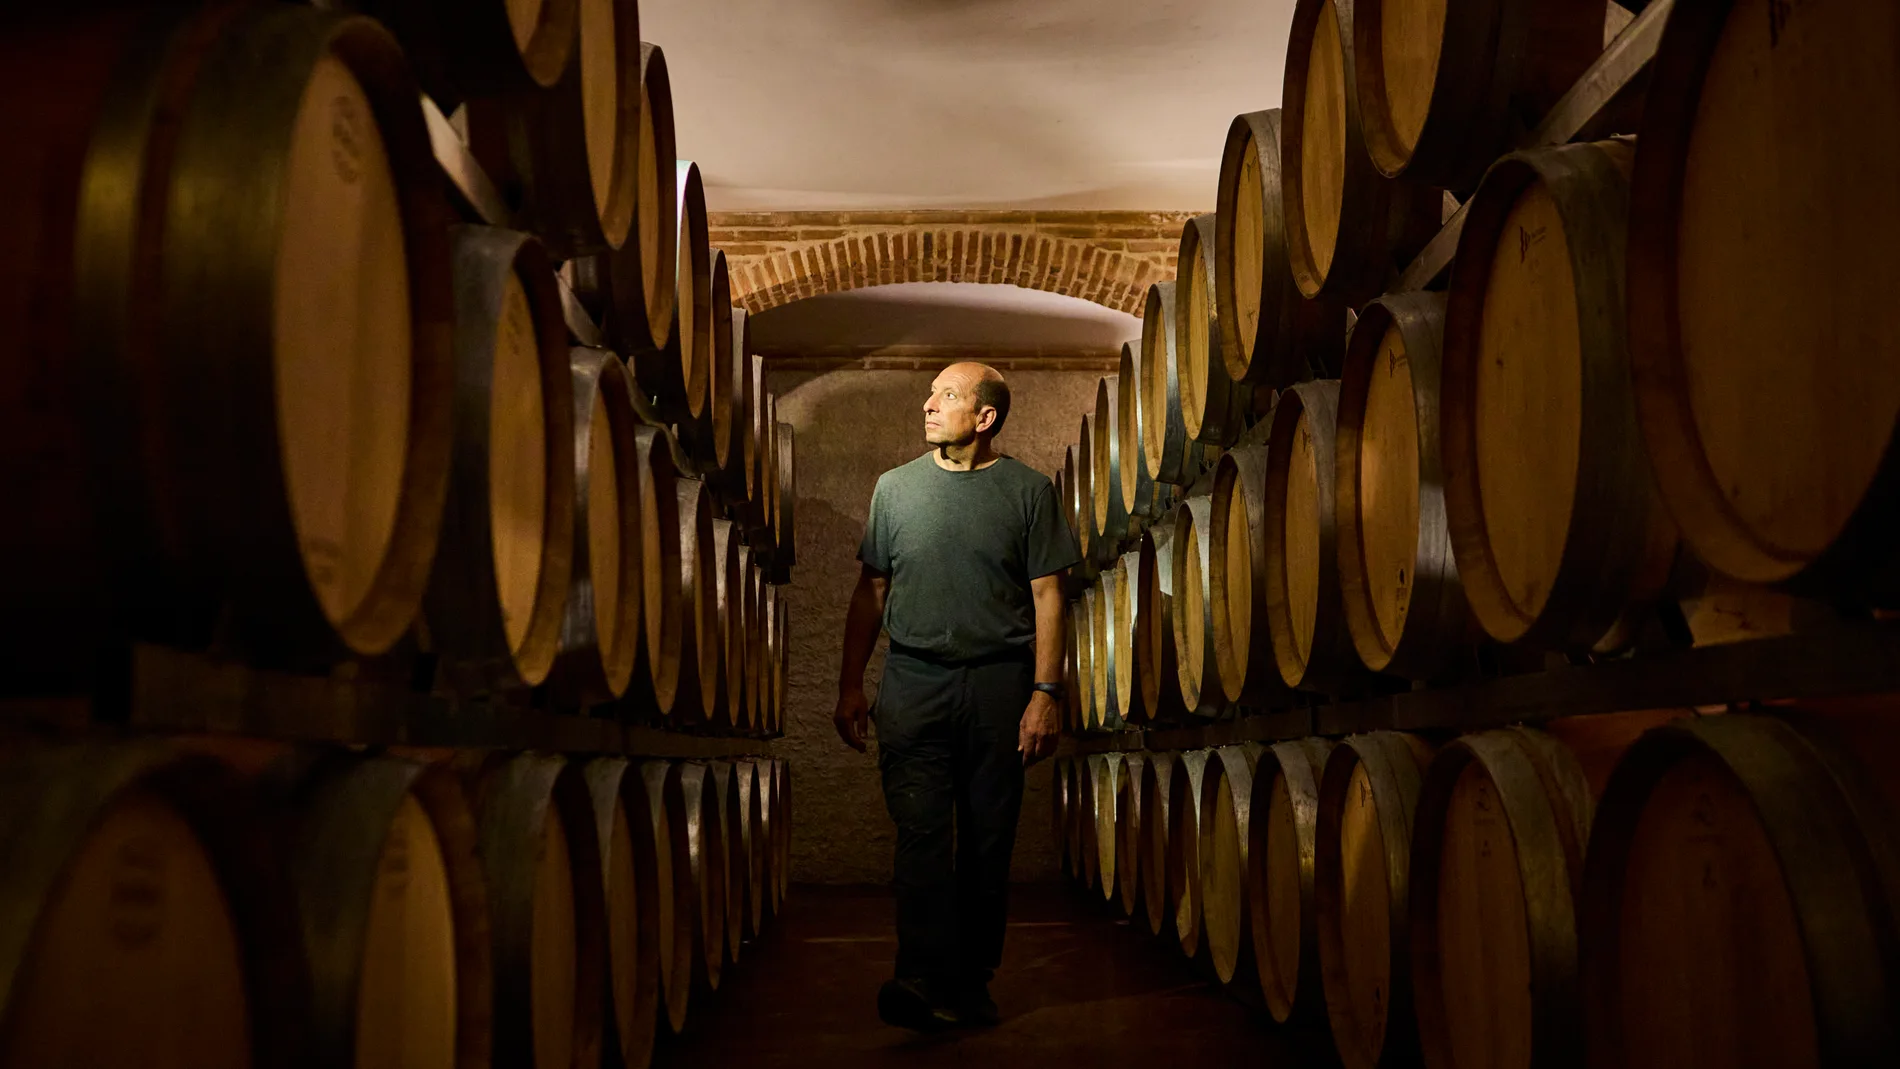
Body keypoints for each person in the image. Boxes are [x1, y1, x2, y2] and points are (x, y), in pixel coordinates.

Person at [835, 361, 1078, 1031]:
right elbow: (872, 590)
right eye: (933, 393)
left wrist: (1044, 692)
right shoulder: (895, 488)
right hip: (914, 681)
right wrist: (852, 682)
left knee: (986, 841)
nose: (929, 404)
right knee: (919, 834)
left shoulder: (1029, 493)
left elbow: (1048, 594)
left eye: (946, 395)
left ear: (985, 416)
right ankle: (917, 974)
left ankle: (971, 979)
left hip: (998, 684)